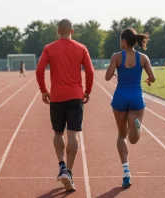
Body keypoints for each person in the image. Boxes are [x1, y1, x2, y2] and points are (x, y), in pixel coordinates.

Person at [36, 18, 94, 191]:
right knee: (73, 136)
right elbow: (90, 72)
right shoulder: (81, 48)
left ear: (57, 31)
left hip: (57, 97)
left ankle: (61, 166)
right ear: (72, 31)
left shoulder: (49, 48)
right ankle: (68, 171)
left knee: (58, 132)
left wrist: (44, 90)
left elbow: (39, 70)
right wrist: (87, 91)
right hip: (76, 96)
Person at [105, 28, 155, 188]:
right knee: (134, 139)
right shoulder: (143, 57)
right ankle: (137, 127)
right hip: (136, 98)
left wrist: (115, 72)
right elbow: (152, 78)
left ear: (124, 41)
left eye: (121, 40)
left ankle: (126, 172)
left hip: (120, 97)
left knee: (121, 135)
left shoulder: (116, 56)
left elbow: (107, 76)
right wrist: (147, 80)